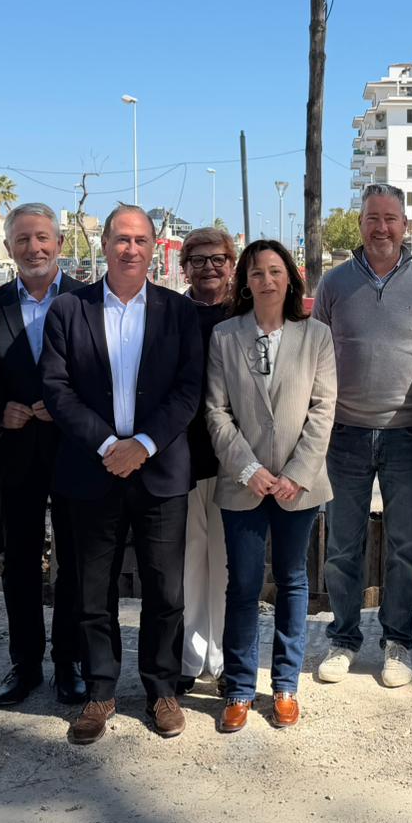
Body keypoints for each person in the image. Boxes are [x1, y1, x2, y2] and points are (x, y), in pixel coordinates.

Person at [40, 204, 203, 742]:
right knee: (92, 590)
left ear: (155, 246)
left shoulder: (179, 313)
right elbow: (57, 389)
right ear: (104, 244)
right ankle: (100, 689)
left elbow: (188, 389)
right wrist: (111, 444)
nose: (130, 248)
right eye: (120, 239)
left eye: (140, 239)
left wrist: (146, 444)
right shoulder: (69, 309)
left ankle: (161, 689)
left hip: (160, 473)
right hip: (92, 471)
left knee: (165, 589)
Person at [311, 183, 412, 689]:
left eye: (390, 218)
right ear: (360, 224)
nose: (381, 228)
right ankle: (344, 638)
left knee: (405, 543)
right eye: (372, 218)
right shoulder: (333, 285)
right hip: (345, 433)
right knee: (342, 544)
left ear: (405, 226)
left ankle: (398, 641)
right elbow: (315, 356)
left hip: (408, 434)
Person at [205, 240, 337, 731]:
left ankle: (285, 685)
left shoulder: (316, 336)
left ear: (290, 278)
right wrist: (249, 470)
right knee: (241, 585)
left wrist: (294, 475)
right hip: (243, 484)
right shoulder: (224, 336)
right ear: (245, 281)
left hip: (297, 487)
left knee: (293, 581)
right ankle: (238, 688)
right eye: (256, 272)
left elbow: (324, 409)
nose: (266, 280)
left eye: (275, 271)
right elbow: (215, 411)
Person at [0, 204, 86, 708]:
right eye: (22, 240)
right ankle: (24, 663)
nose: (34, 248)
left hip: (74, 451)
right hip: (16, 452)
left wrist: (71, 408)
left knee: (74, 560)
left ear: (60, 244)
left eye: (42, 238)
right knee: (19, 562)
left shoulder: (90, 302)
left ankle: (69, 662)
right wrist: (2, 410)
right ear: (8, 249)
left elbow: (107, 376)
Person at [176, 226, 238, 695]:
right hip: (182, 455)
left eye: (217, 259)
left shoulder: (247, 314)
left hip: (237, 459)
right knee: (189, 560)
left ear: (231, 263)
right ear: (184, 268)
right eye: (197, 260)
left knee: (227, 563)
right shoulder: (170, 314)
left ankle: (223, 658)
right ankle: (190, 656)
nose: (208, 268)